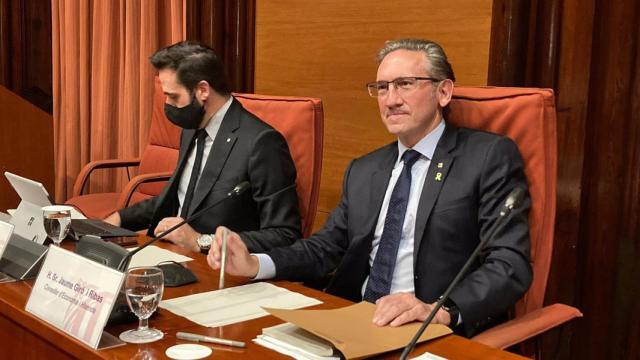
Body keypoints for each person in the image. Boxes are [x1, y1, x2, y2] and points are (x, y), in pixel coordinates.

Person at [207, 39, 532, 336]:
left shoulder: (487, 156)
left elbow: (508, 262)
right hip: (353, 321)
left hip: (428, 328)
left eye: (405, 84)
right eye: (382, 87)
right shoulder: (365, 169)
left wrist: (440, 310)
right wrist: (255, 263)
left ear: (443, 92)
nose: (391, 100)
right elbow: (325, 247)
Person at [104, 41, 302, 254]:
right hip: (171, 253)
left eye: (173, 96)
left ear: (202, 90)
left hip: (219, 269)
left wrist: (202, 241)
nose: (168, 105)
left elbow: (284, 234)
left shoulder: (262, 143)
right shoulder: (192, 128)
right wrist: (119, 219)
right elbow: (178, 198)